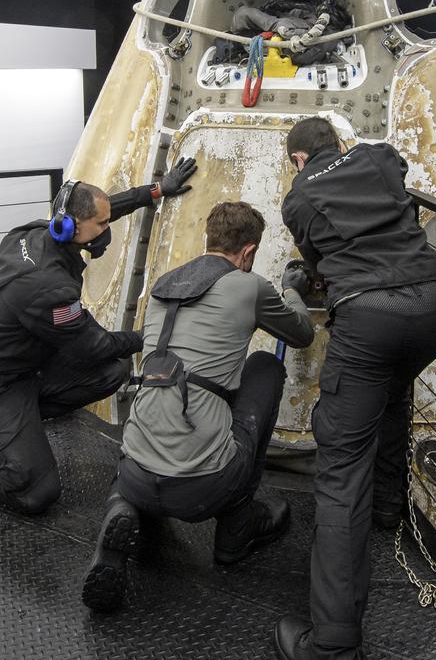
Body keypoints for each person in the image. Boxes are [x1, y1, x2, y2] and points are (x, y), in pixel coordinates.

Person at [272, 118, 436, 660]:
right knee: (394, 393)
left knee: (338, 477)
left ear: (299, 158)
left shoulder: (298, 198)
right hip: (433, 306)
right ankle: (388, 510)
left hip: (370, 316)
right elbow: (395, 186)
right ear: (339, 142)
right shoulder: (379, 157)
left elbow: (322, 261)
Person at [0, 159, 197, 515]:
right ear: (71, 227)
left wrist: (155, 191)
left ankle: (19, 427)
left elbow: (99, 207)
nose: (107, 229)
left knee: (113, 371)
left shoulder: (31, 233)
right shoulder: (48, 287)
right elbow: (93, 346)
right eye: (103, 225)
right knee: (34, 492)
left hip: (26, 367)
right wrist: (149, 335)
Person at [81, 201, 315, 614]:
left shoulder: (163, 283)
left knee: (153, 424)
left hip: (134, 470)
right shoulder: (249, 285)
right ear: (247, 252)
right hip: (203, 488)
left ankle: (122, 508)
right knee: (263, 367)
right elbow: (301, 335)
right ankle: (236, 530)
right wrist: (293, 288)